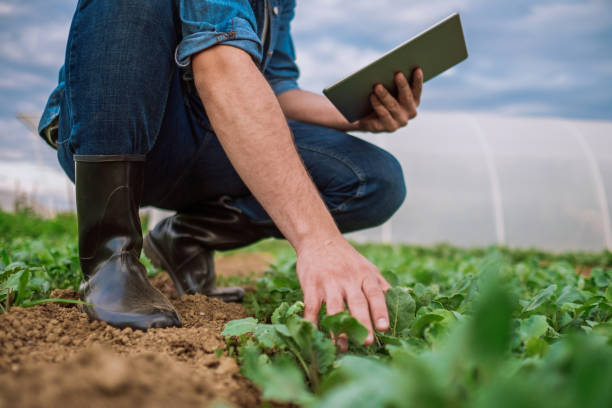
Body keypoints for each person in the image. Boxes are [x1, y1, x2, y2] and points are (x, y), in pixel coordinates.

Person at [38, 0, 423, 348]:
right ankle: (111, 257)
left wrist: (354, 115)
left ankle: (183, 237)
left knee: (374, 177)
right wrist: (318, 240)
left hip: (209, 132)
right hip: (124, 130)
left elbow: (277, 89)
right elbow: (219, 62)